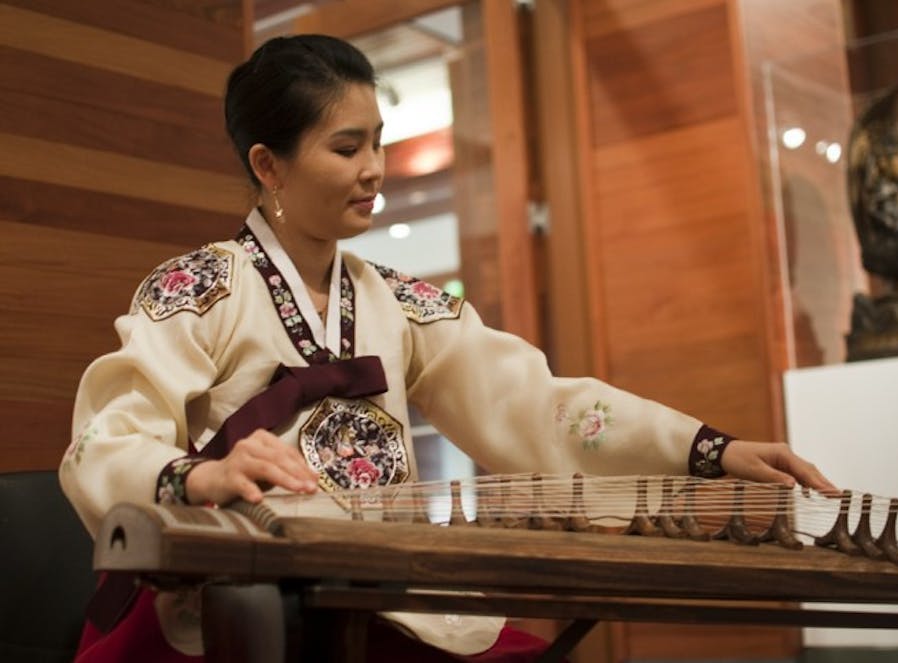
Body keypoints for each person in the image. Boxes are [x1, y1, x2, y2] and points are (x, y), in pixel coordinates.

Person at [59, 34, 835, 663]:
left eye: (379, 144)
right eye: (346, 147)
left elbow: (534, 400)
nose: (375, 171)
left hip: (371, 595)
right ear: (270, 165)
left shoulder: (398, 300)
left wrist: (708, 450)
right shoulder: (197, 288)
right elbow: (107, 437)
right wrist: (203, 474)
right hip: (235, 607)